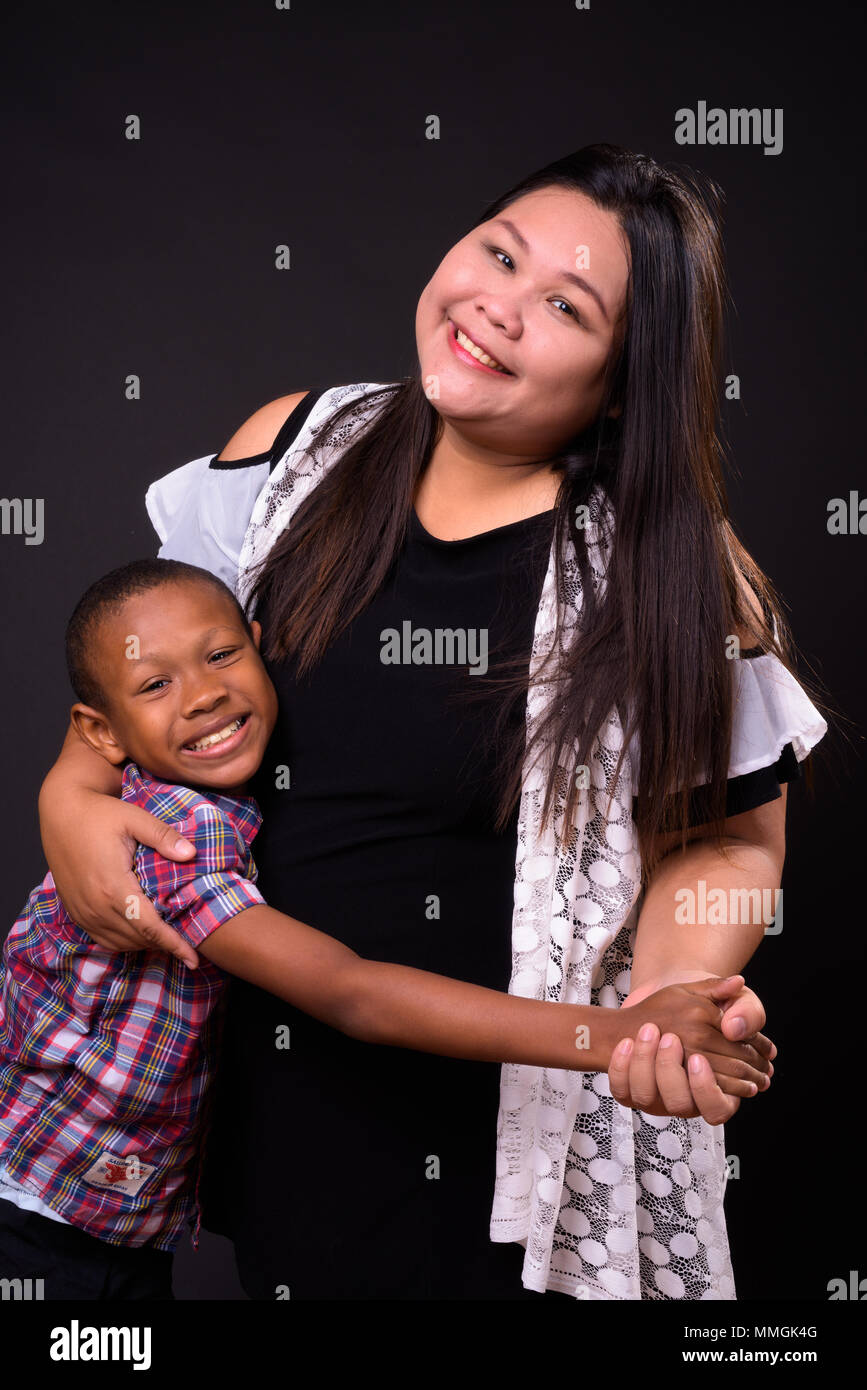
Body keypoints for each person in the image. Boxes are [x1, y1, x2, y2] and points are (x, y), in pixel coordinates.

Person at [37, 143, 828, 1300]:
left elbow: (739, 842)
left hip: (516, 1142)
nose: (497, 309)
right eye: (498, 254)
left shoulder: (679, 578)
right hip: (283, 1117)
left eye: (564, 305)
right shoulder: (292, 451)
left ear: (624, 377)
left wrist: (664, 1004)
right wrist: (66, 793)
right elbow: (135, 683)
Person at [0, 557, 764, 1300]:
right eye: (157, 684)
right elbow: (348, 991)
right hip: (42, 1214)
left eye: (221, 655)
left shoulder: (229, 797)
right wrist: (615, 1036)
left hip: (112, 1213)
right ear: (100, 733)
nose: (201, 695)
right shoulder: (170, 839)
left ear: (262, 645)